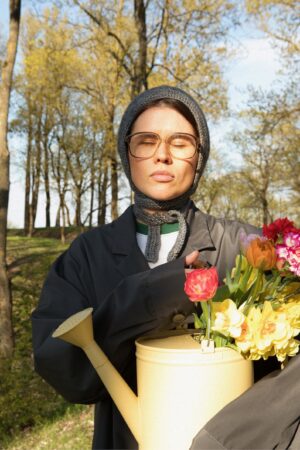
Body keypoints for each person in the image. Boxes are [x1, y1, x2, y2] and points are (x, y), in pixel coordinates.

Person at [31, 85, 261, 450]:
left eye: (181, 142)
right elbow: (68, 374)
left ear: (199, 157)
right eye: (146, 140)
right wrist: (148, 296)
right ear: (128, 152)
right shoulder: (88, 255)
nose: (163, 156)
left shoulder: (244, 247)